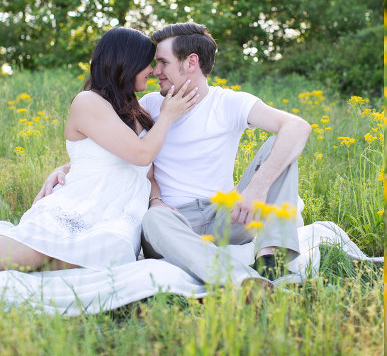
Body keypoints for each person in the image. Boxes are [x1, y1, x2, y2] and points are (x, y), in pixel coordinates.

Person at [39, 22, 311, 285]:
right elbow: (114, 151)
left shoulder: (229, 102)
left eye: (163, 62)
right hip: (171, 219)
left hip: (227, 215)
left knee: (281, 147)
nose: (155, 70)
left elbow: (297, 127)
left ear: (191, 62)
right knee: (152, 218)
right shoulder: (150, 105)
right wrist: (65, 169)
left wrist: (257, 188)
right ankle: (240, 279)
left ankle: (272, 262)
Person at [0, 28, 199, 271]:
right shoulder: (88, 102)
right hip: (82, 204)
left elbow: (145, 171)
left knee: (93, 266)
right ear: (126, 63)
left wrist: (155, 200)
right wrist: (168, 115)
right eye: (147, 63)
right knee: (24, 260)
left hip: (117, 220)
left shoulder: (137, 111)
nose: (153, 71)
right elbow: (140, 155)